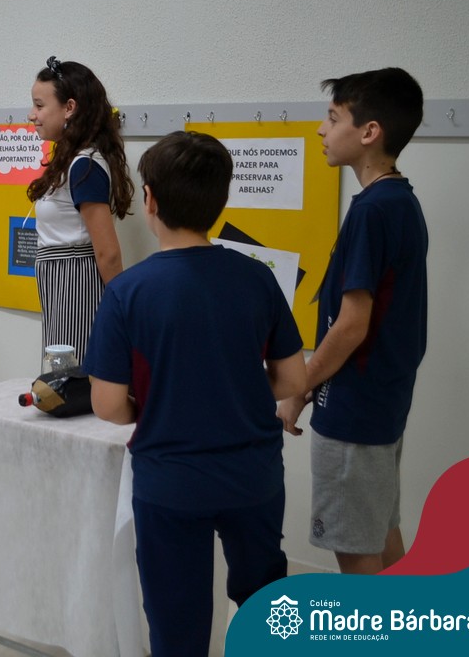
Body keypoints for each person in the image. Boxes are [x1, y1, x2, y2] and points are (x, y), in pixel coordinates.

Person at [85, 131, 306, 657]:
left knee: (176, 626)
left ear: (150, 200)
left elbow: (108, 406)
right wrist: (239, 390)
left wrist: (161, 401)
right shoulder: (257, 278)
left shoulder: (126, 293)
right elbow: (294, 380)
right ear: (221, 200)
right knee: (265, 610)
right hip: (253, 477)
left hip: (171, 483)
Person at [277, 67, 428, 575]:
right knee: (382, 535)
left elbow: (350, 326)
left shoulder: (371, 211)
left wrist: (296, 387)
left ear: (369, 132)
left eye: (333, 117)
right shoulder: (401, 202)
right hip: (382, 404)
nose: (322, 129)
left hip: (354, 413)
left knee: (358, 555)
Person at [26, 55, 133, 363]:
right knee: (62, 372)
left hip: (76, 284)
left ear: (69, 107)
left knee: (75, 374)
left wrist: (123, 312)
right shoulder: (72, 161)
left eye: (39, 105)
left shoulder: (85, 165)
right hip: (61, 283)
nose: (32, 115)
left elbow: (108, 252)